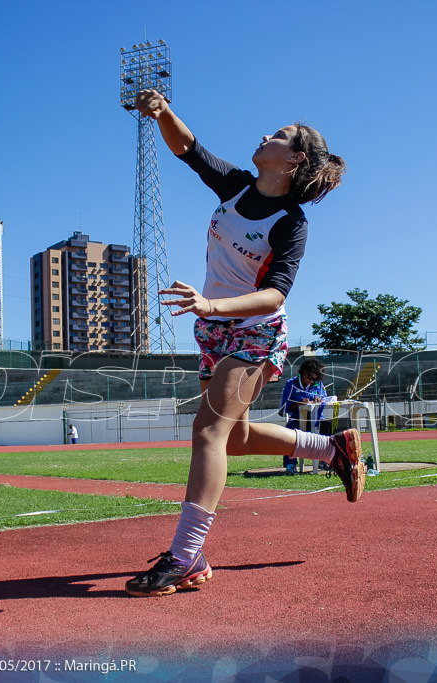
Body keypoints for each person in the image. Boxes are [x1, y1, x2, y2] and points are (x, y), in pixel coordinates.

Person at [125, 89, 360, 598]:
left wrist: (212, 306)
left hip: (254, 328)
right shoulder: (236, 186)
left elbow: (275, 292)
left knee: (207, 430)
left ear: (294, 158)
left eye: (276, 136)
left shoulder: (291, 223)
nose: (263, 136)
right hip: (212, 327)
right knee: (233, 438)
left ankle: (186, 557)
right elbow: (190, 150)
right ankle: (331, 448)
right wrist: (163, 112)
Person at [278, 359, 328, 473]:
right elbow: (284, 406)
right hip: (297, 419)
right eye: (308, 377)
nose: (311, 381)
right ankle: (290, 464)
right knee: (288, 433)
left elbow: (325, 398)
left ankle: (324, 460)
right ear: (302, 373)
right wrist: (299, 403)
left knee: (328, 429)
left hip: (316, 419)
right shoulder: (291, 384)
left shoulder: (318, 384)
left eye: (314, 379)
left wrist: (318, 399)